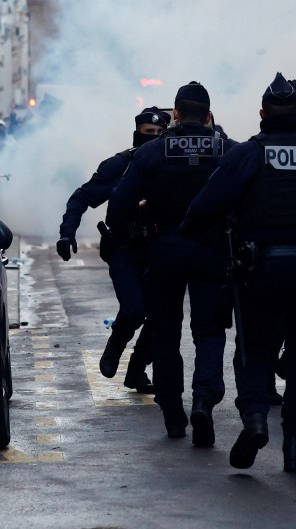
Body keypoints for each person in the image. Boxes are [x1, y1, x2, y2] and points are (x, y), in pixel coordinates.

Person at [182, 73, 296, 472]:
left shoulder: (247, 154)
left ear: (262, 113)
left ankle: (256, 419)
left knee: (254, 352)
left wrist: (193, 234)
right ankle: (295, 446)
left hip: (258, 271)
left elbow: (203, 208)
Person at [107, 81, 238, 446]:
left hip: (163, 250)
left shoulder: (151, 152)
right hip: (212, 252)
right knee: (209, 331)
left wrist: (124, 239)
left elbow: (118, 204)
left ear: (175, 114)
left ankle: (173, 413)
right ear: (209, 116)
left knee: (166, 332)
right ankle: (204, 399)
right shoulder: (229, 151)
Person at [57, 107, 171, 394]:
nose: (154, 139)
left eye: (160, 134)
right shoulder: (120, 164)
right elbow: (82, 196)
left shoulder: (172, 165)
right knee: (134, 310)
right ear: (137, 134)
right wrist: (66, 233)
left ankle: (137, 369)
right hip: (124, 248)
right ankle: (115, 345)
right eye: (149, 134)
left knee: (160, 316)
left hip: (159, 249)